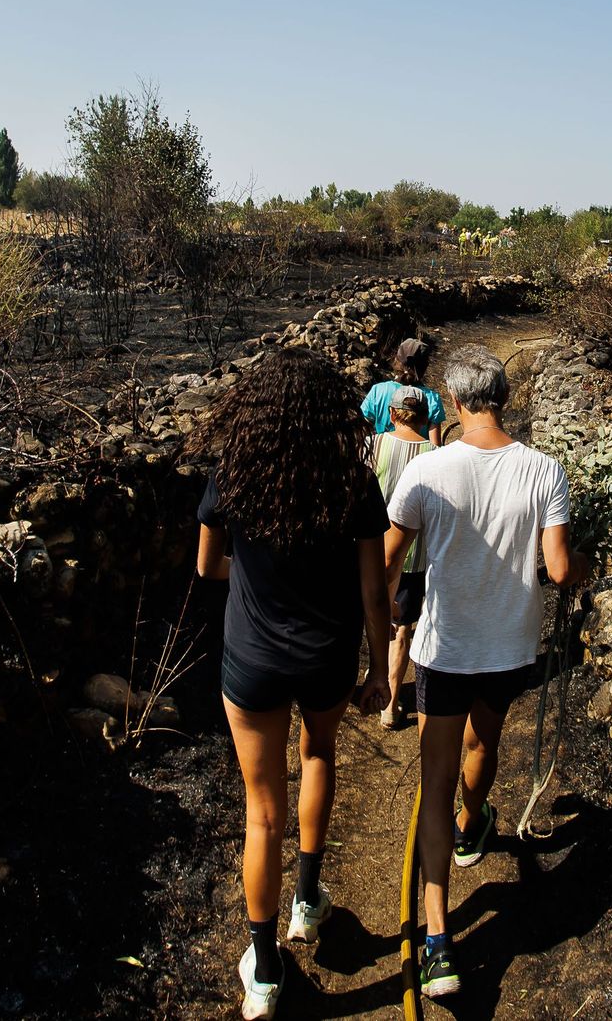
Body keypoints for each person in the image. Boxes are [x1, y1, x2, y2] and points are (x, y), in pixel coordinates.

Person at [194, 347, 393, 1020]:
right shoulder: (352, 482)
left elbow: (207, 567)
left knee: (260, 812)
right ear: (329, 412)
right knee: (318, 755)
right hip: (326, 657)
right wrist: (380, 669)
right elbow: (374, 591)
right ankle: (308, 900)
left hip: (251, 659)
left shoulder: (235, 474)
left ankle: (266, 969)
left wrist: (251, 576)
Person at [384, 346, 587, 999]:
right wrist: (587, 563)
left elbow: (389, 561)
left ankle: (439, 943)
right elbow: (558, 570)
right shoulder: (544, 470)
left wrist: (379, 625)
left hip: (443, 650)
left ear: (460, 400)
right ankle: (477, 824)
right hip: (509, 647)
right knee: (484, 744)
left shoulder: (428, 471)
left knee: (433, 779)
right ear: (501, 396)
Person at [366, 385, 435, 729]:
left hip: (371, 550)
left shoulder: (374, 445)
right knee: (403, 626)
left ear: (392, 414)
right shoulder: (435, 453)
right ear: (424, 419)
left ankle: (366, 681)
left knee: (366, 611)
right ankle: (389, 704)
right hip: (414, 555)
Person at [361, 337, 446, 446]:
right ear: (424, 367)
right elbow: (435, 446)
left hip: (382, 456)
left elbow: (364, 430)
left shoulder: (378, 391)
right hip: (417, 460)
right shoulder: (432, 398)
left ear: (397, 361)